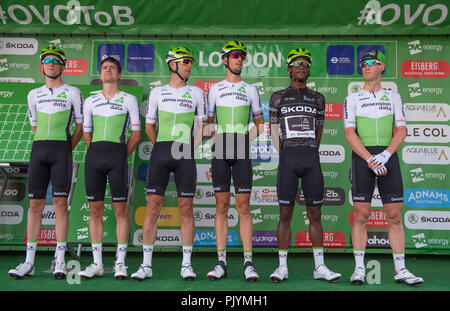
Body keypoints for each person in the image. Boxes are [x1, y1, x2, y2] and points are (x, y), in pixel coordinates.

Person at [344, 49, 423, 286]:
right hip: (363, 158)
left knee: (394, 215)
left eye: (371, 63)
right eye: (363, 64)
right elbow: (349, 132)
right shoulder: (353, 98)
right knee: (361, 215)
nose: (365, 66)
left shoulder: (394, 96)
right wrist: (370, 159)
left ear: (382, 67)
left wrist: (386, 155)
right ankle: (359, 269)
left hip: (389, 156)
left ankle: (401, 270)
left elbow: (401, 130)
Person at [131, 47, 207, 281]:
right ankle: (146, 265)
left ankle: (186, 265)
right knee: (152, 207)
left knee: (186, 208)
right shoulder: (157, 93)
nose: (189, 66)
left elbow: (202, 127)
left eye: (191, 62)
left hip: (185, 151)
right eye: (185, 61)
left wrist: (188, 149)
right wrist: (162, 147)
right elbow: (149, 126)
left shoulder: (196, 92)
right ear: (172, 64)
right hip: (161, 150)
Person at [8, 47, 83, 279]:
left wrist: (64, 149)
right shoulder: (33, 94)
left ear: (62, 66)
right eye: (46, 61)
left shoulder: (73, 92)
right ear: (42, 66)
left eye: (55, 61)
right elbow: (34, 126)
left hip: (62, 151)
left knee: (60, 205)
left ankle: (60, 260)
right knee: (35, 207)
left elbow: (80, 127)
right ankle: (29, 262)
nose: (51, 64)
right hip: (38, 152)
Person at [269, 48, 341, 283]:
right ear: (289, 69)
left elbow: (319, 130)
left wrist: (309, 150)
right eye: (297, 63)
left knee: (316, 213)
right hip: (288, 159)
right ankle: (282, 267)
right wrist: (286, 154)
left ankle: (319, 267)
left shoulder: (317, 98)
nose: (302, 67)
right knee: (285, 213)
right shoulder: (278, 97)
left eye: (306, 64)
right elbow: (272, 132)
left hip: (311, 158)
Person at [206, 41, 265, 281]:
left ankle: (248, 262)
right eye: (235, 56)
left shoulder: (250, 89)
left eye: (242, 56)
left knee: (243, 207)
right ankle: (221, 262)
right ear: (225, 60)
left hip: (241, 148)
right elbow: (209, 122)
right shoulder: (215, 89)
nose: (239, 59)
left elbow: (260, 124)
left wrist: (243, 141)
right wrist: (219, 139)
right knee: (221, 206)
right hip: (221, 148)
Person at [78, 56, 141, 280]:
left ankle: (121, 262)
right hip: (94, 157)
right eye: (104, 68)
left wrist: (119, 156)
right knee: (94, 211)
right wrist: (98, 152)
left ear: (119, 74)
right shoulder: (90, 101)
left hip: (118, 158)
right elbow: (86, 133)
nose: (108, 71)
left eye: (112, 68)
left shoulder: (129, 99)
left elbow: (136, 134)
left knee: (120, 211)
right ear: (100, 73)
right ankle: (96, 263)